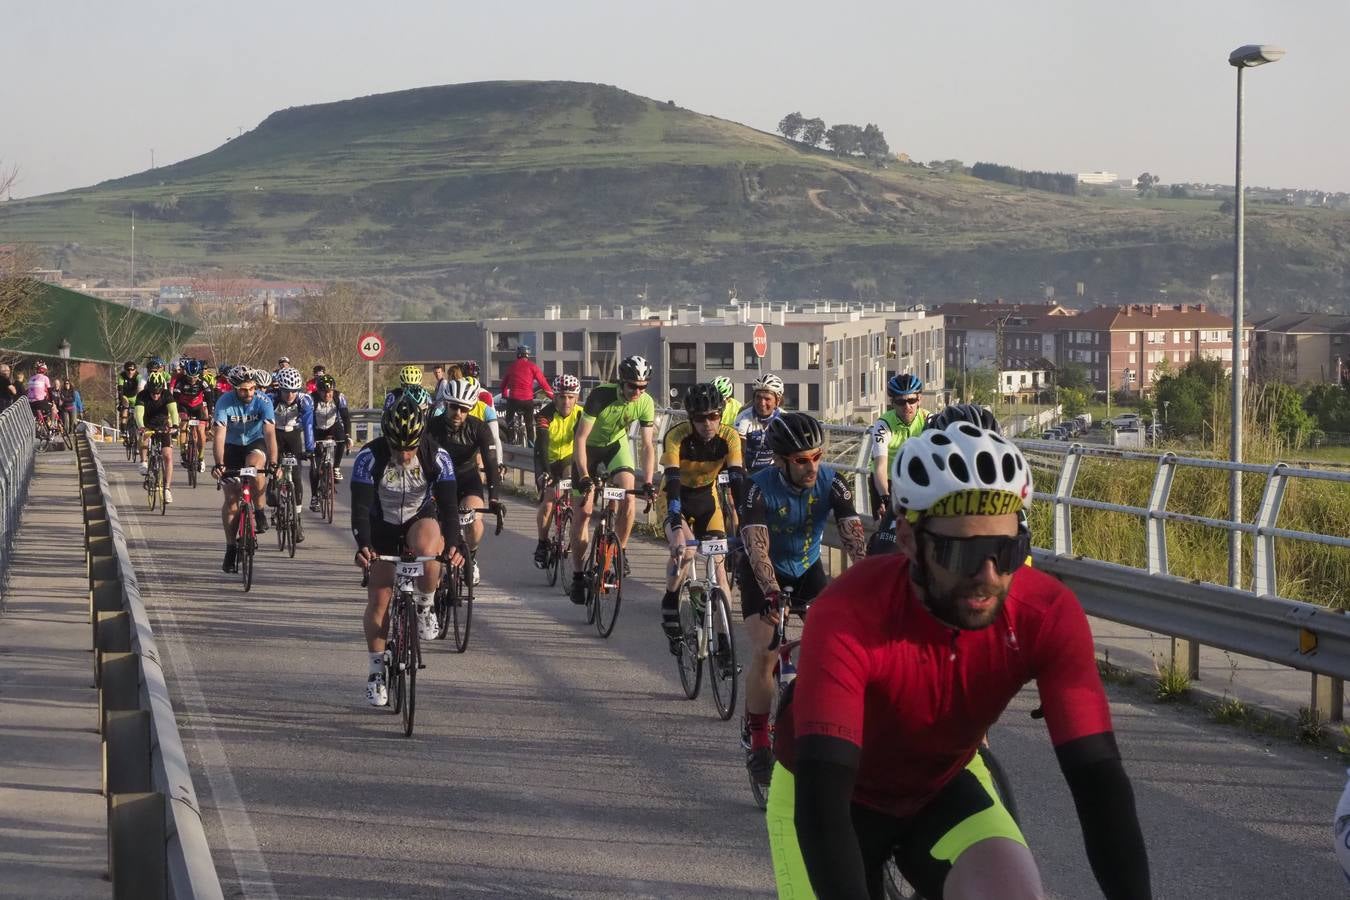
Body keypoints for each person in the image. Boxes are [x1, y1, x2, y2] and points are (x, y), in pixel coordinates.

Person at [767, 421, 1152, 900]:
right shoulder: (848, 613)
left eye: (1006, 551)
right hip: (831, 795)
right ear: (908, 541)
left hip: (939, 786)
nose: (988, 576)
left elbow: (1098, 781)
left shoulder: (1046, 613)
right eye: (960, 553)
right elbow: (823, 802)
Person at [736, 412, 867, 788]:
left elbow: (854, 538)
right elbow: (757, 547)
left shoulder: (832, 481)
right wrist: (773, 593)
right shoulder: (757, 487)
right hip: (764, 574)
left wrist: (865, 583)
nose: (813, 466)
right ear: (780, 461)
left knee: (834, 649)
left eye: (818, 456)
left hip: (808, 568)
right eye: (801, 460)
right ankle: (758, 738)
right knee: (766, 651)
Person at [351, 398, 464, 705]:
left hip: (417, 517)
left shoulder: (436, 456)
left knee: (431, 547)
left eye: (410, 447)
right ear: (386, 439)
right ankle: (376, 672)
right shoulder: (368, 457)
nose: (404, 454)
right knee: (379, 596)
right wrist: (363, 545)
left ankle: (426, 606)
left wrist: (453, 544)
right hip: (381, 524)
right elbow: (360, 509)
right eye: (397, 447)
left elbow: (451, 507)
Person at [658, 383, 744, 654]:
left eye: (714, 416)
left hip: (708, 501)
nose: (708, 423)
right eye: (700, 418)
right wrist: (674, 523)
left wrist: (747, 522)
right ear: (690, 419)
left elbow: (739, 481)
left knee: (719, 571)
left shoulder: (730, 438)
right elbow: (672, 480)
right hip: (676, 499)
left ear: (721, 414)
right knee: (686, 550)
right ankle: (671, 601)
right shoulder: (676, 436)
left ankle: (724, 643)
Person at [567, 355, 658, 604]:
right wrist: (585, 475)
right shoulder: (601, 395)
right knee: (583, 512)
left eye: (643, 386)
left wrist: (648, 482)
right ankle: (577, 574)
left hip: (615, 447)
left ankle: (619, 551)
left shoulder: (646, 402)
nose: (638, 391)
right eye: (633, 386)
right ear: (621, 383)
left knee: (629, 493)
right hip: (589, 449)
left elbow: (647, 445)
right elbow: (581, 439)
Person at [426, 379, 502, 586]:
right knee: (438, 529)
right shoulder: (431, 428)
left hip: (467, 479)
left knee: (475, 522)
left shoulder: (479, 428)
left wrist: (494, 497)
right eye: (454, 407)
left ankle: (472, 557)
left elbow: (491, 463)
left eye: (464, 408)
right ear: (446, 405)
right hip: (440, 481)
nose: (458, 413)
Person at [212, 366, 278, 573]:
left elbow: (269, 433)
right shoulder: (224, 402)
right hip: (232, 447)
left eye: (251, 388)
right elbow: (220, 436)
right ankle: (231, 547)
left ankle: (259, 510)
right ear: (234, 389)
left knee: (255, 468)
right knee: (231, 499)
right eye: (243, 390)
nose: (248, 393)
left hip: (254, 442)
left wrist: (274, 462)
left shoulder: (263, 401)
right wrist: (219, 463)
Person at [532, 374, 583, 567]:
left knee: (570, 481)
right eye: (562, 397)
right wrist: (546, 473)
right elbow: (543, 446)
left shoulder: (581, 414)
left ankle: (568, 512)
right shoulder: (544, 415)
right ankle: (542, 544)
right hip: (546, 459)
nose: (566, 401)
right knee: (549, 500)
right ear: (555, 397)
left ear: (577, 398)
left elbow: (584, 443)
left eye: (571, 397)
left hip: (568, 458)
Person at [869, 373, 927, 518]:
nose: (907, 406)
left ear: (919, 399)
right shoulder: (883, 425)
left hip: (913, 479)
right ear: (892, 403)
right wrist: (885, 497)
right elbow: (880, 466)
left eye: (912, 400)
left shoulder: (928, 419)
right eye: (901, 402)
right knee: (884, 529)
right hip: (886, 480)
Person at [269, 367, 315, 520]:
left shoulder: (305, 400)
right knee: (273, 468)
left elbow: (309, 425)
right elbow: (264, 425)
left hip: (293, 434)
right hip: (275, 433)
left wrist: (309, 449)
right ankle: (274, 494)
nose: (290, 395)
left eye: (294, 391)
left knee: (296, 475)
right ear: (279, 389)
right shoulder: (271, 399)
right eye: (286, 391)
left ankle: (298, 516)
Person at [134, 371, 181, 502]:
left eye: (158, 393)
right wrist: (141, 427)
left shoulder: (167, 395)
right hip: (147, 423)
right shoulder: (142, 395)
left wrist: (176, 425)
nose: (155, 395)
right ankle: (143, 461)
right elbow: (138, 413)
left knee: (168, 456)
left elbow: (173, 411)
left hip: (163, 424)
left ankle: (167, 489)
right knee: (144, 438)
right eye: (153, 393)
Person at [309, 375, 352, 508]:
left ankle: (336, 467)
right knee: (315, 468)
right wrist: (309, 442)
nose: (328, 394)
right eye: (324, 392)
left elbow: (345, 417)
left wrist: (348, 436)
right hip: (317, 428)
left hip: (333, 426)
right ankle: (314, 496)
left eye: (330, 392)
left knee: (342, 440)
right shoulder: (311, 399)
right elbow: (307, 420)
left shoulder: (339, 397)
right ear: (319, 391)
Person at [499, 345, 553, 446]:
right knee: (529, 424)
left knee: (509, 420)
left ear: (517, 355)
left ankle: (510, 441)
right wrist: (552, 397)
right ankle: (530, 445)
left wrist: (504, 394)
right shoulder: (533, 366)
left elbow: (503, 385)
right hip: (528, 400)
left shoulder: (512, 367)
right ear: (528, 355)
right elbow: (543, 383)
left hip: (513, 399)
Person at [734, 373, 785, 474]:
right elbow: (739, 452)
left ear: (777, 401)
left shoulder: (784, 420)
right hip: (747, 468)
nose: (762, 403)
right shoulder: (744, 418)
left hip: (772, 469)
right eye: (758, 397)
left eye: (767, 399)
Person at [172, 359, 212, 473]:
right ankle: (183, 452)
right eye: (189, 377)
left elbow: (209, 400)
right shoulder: (181, 382)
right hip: (184, 406)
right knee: (183, 425)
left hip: (197, 407)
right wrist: (175, 413)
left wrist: (209, 415)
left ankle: (201, 458)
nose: (192, 380)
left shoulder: (203, 382)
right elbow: (175, 399)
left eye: (194, 377)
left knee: (200, 431)